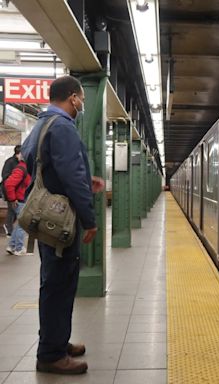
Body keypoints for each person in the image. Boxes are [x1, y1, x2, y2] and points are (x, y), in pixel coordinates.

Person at [21, 75, 105, 375]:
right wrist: (89, 219)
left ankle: (57, 340)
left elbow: (35, 163)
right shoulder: (64, 128)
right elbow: (69, 175)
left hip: (47, 220)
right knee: (59, 285)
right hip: (62, 221)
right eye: (81, 98)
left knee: (53, 282)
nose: (82, 104)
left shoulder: (41, 125)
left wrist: (84, 180)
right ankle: (51, 354)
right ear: (73, 97)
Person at [4, 153, 31, 256]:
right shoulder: (22, 169)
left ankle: (12, 246)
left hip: (19, 200)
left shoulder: (22, 168)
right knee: (22, 225)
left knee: (19, 224)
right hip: (20, 201)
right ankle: (18, 248)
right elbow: (9, 183)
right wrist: (13, 198)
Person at [2, 145, 22, 236]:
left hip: (16, 190)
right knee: (12, 210)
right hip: (9, 189)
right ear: (17, 154)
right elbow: (5, 176)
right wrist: (15, 179)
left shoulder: (19, 162)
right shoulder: (10, 162)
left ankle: (9, 228)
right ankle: (9, 228)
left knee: (14, 210)